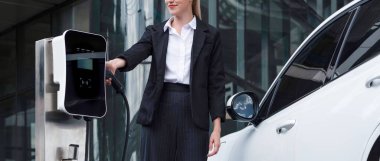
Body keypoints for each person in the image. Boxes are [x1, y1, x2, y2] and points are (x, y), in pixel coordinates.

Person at [106, 0, 225, 160]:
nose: (170, 0)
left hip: (194, 115)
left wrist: (216, 129)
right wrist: (115, 63)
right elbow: (137, 51)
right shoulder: (156, 32)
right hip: (158, 111)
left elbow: (216, 84)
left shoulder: (210, 35)